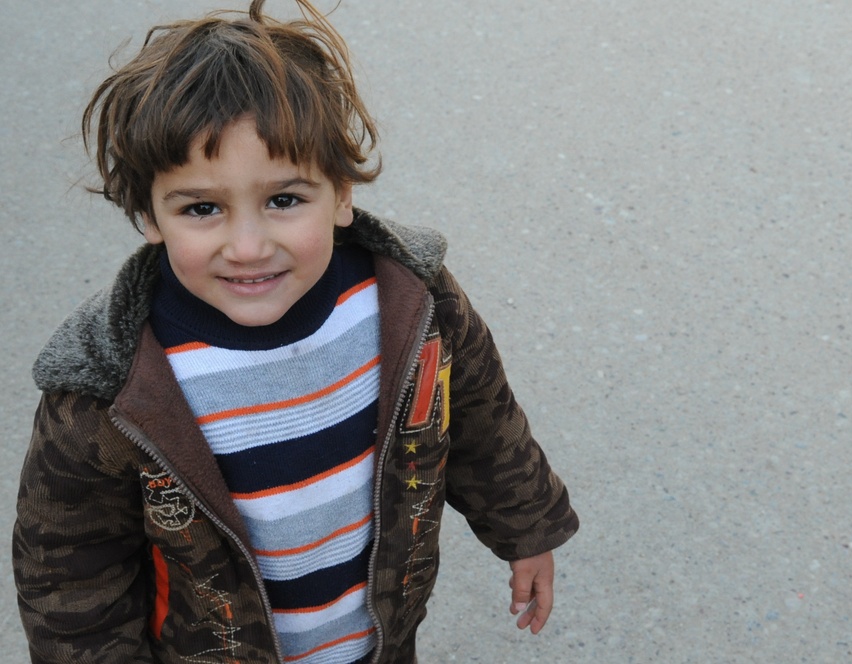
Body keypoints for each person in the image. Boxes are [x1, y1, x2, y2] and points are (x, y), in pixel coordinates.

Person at [11, 1, 579, 662]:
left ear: (341, 194)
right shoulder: (111, 389)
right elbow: (68, 568)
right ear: (150, 216)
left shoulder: (411, 306)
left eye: (284, 200)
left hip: (380, 640)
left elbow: (484, 419)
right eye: (202, 208)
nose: (248, 246)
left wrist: (527, 528)